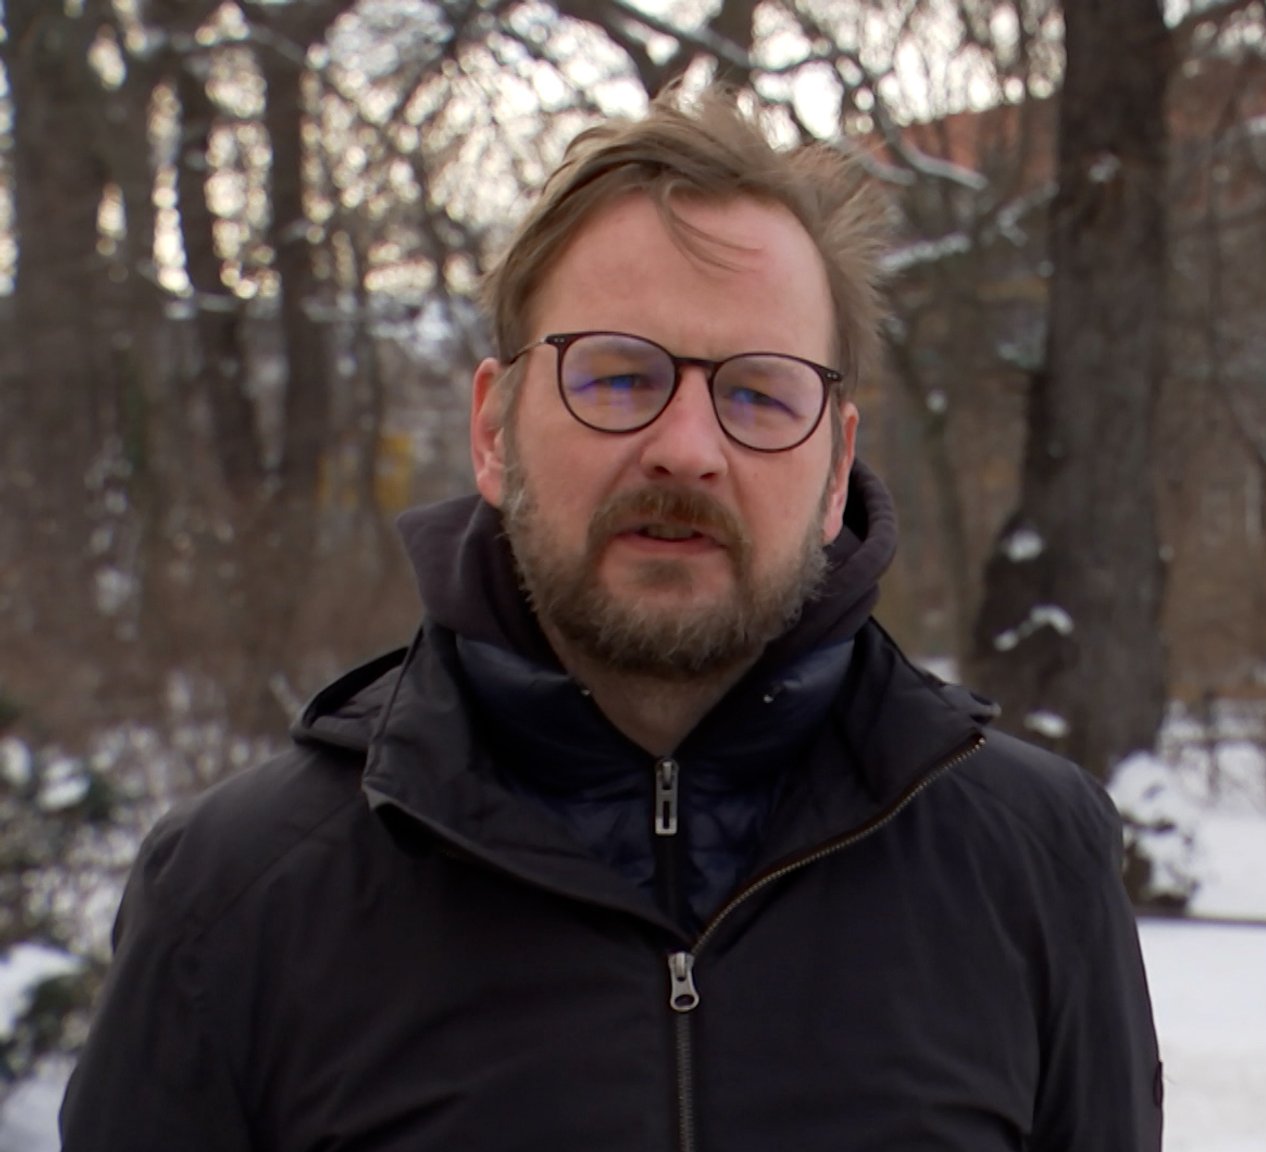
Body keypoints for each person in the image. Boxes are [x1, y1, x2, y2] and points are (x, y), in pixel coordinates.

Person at [60, 85, 1163, 1151]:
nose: (686, 446)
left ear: (835, 471)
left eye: (758, 392)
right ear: (493, 430)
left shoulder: (1031, 861)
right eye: (619, 378)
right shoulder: (239, 895)